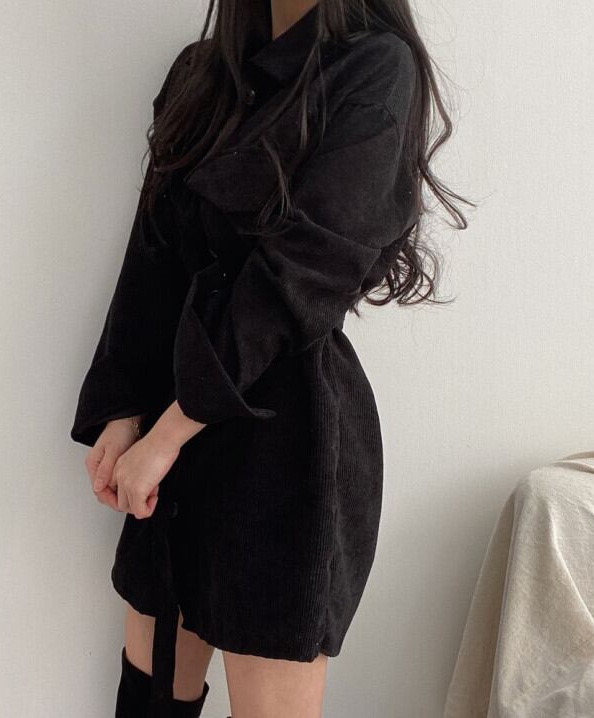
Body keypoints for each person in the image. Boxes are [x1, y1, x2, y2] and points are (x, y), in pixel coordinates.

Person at [70, 0, 471, 716]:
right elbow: (151, 257)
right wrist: (122, 411)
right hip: (172, 430)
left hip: (288, 449)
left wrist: (164, 437)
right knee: (148, 698)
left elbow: (302, 277)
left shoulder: (375, 68)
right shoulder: (200, 75)